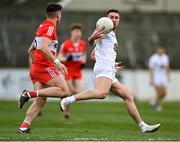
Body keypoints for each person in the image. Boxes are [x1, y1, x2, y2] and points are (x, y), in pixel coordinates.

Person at [60, 9, 160, 133]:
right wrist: (92, 37)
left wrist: (112, 64)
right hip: (104, 68)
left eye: (116, 17)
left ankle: (143, 126)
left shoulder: (112, 34)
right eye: (111, 17)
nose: (114, 19)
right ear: (106, 19)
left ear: (119, 20)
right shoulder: (104, 30)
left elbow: (92, 56)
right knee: (101, 94)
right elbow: (91, 41)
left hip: (108, 68)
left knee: (129, 96)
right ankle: (68, 99)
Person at [18, 2, 70, 133]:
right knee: (65, 91)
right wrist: (56, 62)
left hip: (37, 68)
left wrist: (37, 63)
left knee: (40, 101)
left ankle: (24, 127)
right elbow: (43, 47)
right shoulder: (49, 28)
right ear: (58, 15)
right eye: (61, 14)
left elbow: (31, 50)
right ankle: (29, 93)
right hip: (44, 68)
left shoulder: (42, 27)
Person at [58, 24, 87, 118]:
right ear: (72, 32)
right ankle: (66, 111)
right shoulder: (66, 44)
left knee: (80, 92)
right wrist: (68, 57)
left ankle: (63, 99)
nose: (78, 33)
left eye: (79, 31)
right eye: (76, 31)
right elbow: (59, 57)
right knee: (70, 92)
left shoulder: (83, 44)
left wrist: (83, 61)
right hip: (68, 71)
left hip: (77, 71)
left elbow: (84, 55)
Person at [149, 47, 170, 111]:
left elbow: (167, 67)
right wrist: (151, 79)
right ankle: (157, 106)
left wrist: (168, 75)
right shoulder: (153, 58)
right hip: (156, 76)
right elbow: (151, 69)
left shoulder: (165, 57)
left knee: (164, 93)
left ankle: (154, 100)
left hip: (163, 76)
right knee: (158, 92)